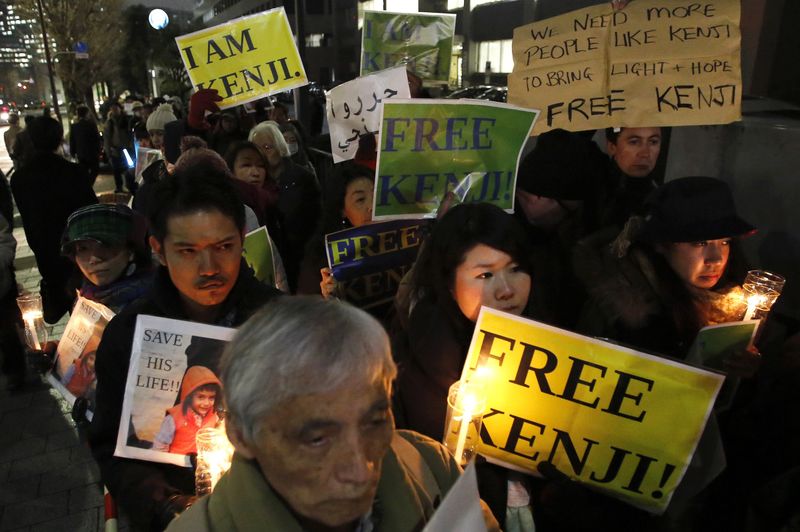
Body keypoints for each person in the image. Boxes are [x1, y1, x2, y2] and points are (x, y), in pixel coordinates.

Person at [165, 296, 500, 532]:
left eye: (374, 421)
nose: (359, 470)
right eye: (317, 439)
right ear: (240, 434)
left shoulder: (430, 465)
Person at [89, 164, 282, 531]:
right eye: (188, 250)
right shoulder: (128, 336)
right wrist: (166, 507)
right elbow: (113, 450)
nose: (210, 267)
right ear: (158, 250)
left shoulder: (277, 322)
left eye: (224, 246)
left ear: (242, 238)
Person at [575, 176, 757, 363]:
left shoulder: (738, 302)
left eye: (725, 242)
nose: (716, 259)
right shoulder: (628, 309)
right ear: (661, 245)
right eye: (699, 242)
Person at [11, 115, 98, 323]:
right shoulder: (73, 172)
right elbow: (90, 209)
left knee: (66, 301)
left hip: (45, 250)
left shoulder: (20, 178)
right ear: (59, 139)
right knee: (85, 302)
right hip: (77, 248)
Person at [249, 121, 321, 292]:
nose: (262, 155)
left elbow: (318, 219)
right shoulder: (254, 184)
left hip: (303, 262)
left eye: (267, 147)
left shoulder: (303, 178)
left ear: (280, 147)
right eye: (257, 149)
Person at [297, 162, 373, 301]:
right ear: (342, 209)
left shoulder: (404, 238)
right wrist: (327, 297)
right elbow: (306, 310)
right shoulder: (320, 256)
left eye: (377, 197)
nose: (371, 207)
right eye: (360, 199)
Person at [61, 203, 153, 313]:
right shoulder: (85, 296)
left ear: (131, 251)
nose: (94, 258)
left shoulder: (156, 303)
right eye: (83, 248)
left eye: (106, 245)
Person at [600, 126, 663, 228]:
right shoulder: (592, 190)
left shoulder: (663, 199)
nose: (645, 153)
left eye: (653, 142)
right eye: (634, 142)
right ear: (612, 147)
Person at [151, 366, 221, 454]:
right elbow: (159, 447)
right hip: (176, 465)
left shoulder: (214, 417)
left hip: (201, 465)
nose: (207, 403)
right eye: (201, 397)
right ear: (189, 397)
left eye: (211, 398)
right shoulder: (173, 418)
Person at [104, 102, 136, 193]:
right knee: (116, 170)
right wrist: (108, 152)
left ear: (120, 109)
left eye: (116, 108)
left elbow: (130, 134)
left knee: (128, 169)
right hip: (115, 150)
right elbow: (107, 138)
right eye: (112, 109)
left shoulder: (126, 120)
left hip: (126, 149)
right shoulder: (109, 122)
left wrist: (131, 146)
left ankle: (130, 186)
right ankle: (119, 187)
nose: (114, 110)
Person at [69, 104, 101, 185]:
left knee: (84, 172)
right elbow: (97, 139)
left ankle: (86, 186)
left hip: (81, 153)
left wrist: (73, 152)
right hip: (92, 153)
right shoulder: (91, 125)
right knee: (95, 170)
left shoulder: (74, 126)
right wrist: (98, 150)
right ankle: (88, 185)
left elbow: (72, 140)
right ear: (87, 113)